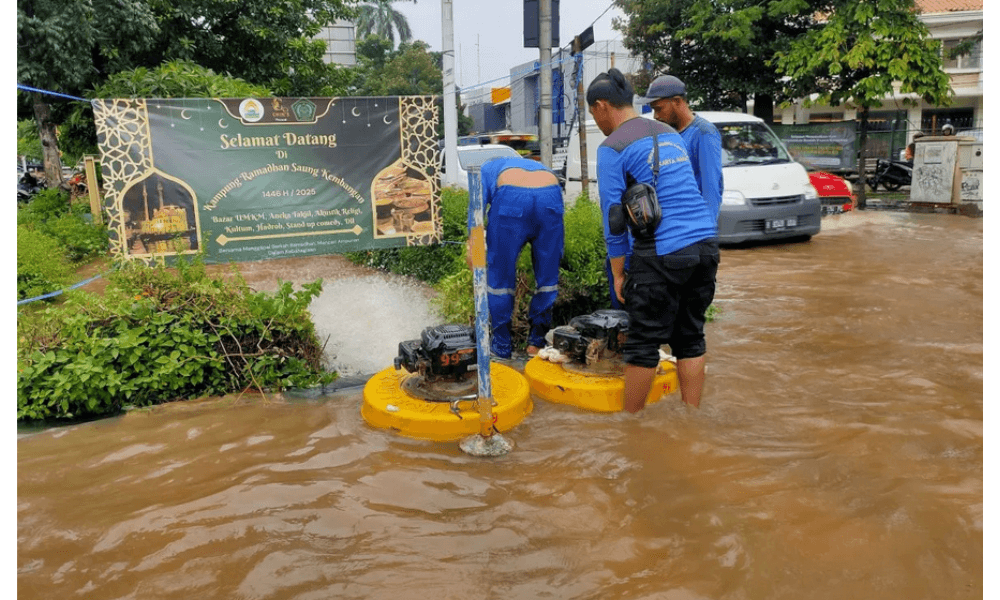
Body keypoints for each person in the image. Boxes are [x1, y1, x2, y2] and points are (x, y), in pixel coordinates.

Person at [587, 68, 720, 411]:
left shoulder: (612, 147)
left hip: (663, 252)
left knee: (642, 345)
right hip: (706, 246)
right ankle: (691, 416)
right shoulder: (671, 133)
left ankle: (632, 429)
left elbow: (614, 220)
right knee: (691, 338)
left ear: (602, 106)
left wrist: (618, 272)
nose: (596, 121)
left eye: (593, 113)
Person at [466, 156, 564, 359]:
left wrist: (474, 254)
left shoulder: (485, 168)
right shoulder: (536, 166)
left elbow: (476, 214)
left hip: (511, 198)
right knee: (547, 278)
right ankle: (535, 344)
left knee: (499, 280)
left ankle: (502, 348)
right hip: (550, 195)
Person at [638, 75, 723, 224]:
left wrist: (706, 233)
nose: (656, 116)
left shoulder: (703, 133)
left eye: (659, 109)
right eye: (653, 110)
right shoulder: (667, 134)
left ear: (677, 101)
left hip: (693, 227)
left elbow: (711, 188)